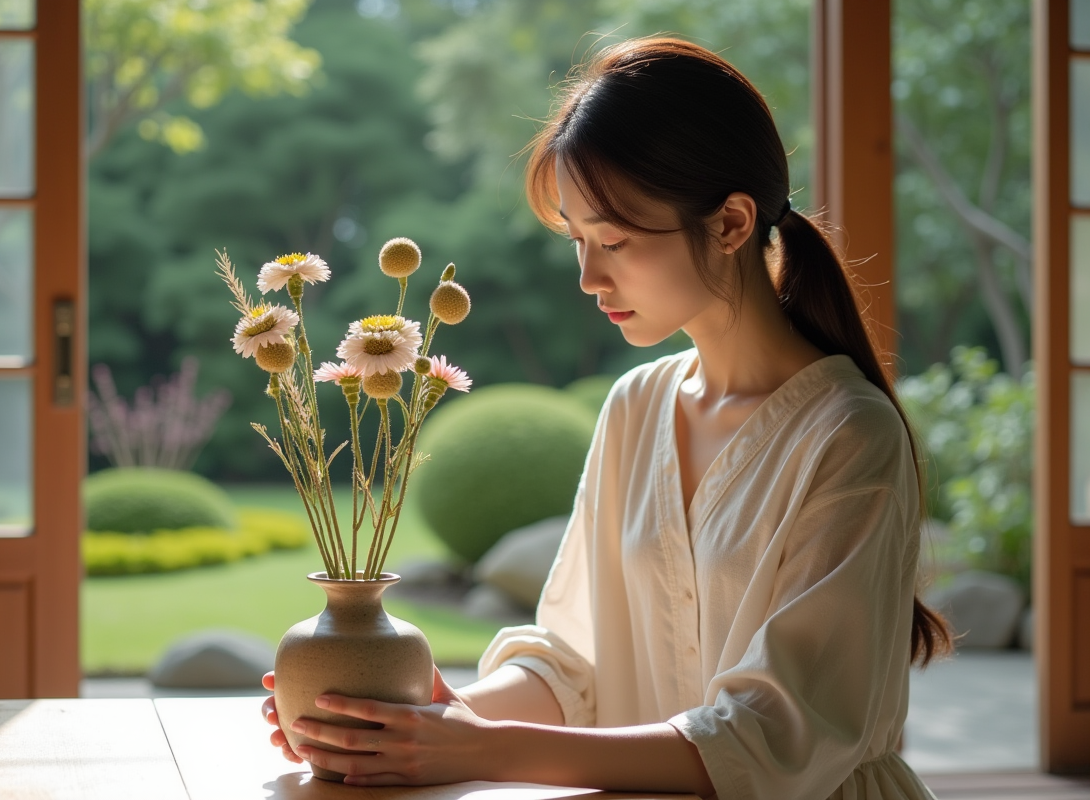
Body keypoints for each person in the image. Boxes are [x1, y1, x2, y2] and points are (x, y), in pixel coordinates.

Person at [260, 36, 951, 799]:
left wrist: (479, 750)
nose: (589, 276)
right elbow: (572, 661)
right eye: (579, 242)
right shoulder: (637, 404)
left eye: (615, 240)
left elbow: (770, 736)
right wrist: (420, 720)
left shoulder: (847, 435)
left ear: (729, 224)